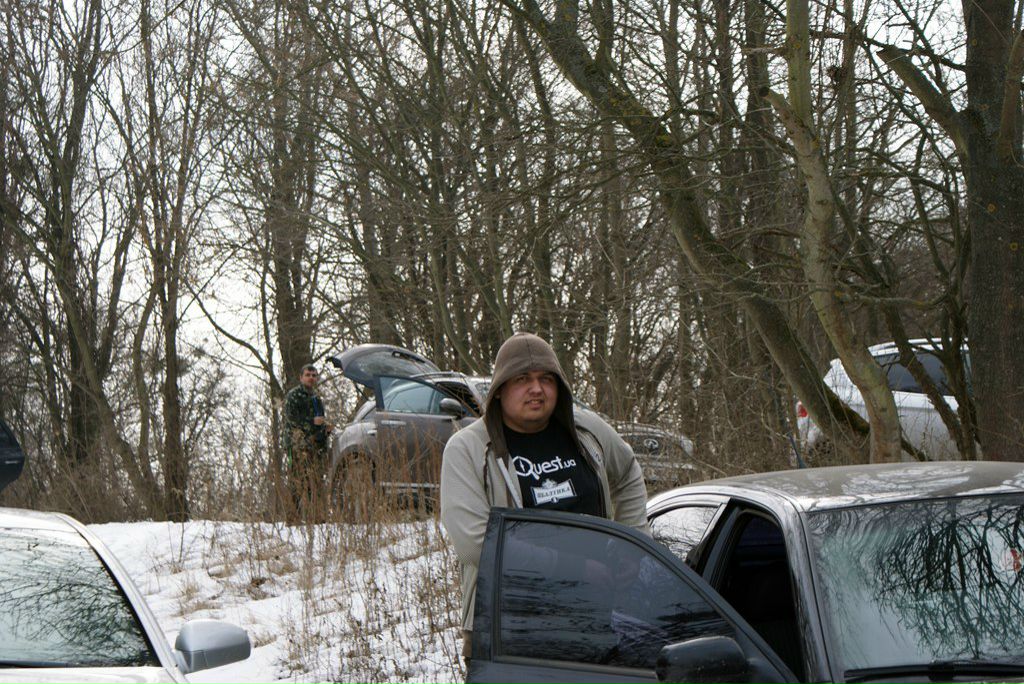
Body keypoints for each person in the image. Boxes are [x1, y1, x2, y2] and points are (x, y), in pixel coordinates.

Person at [440, 332, 649, 667]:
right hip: (507, 631)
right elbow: (477, 542)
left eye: (546, 379)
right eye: (522, 379)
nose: (536, 388)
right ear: (500, 389)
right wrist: (578, 569)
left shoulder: (586, 431)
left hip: (591, 619)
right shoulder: (468, 449)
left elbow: (627, 473)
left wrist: (634, 545)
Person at [283, 363, 334, 522]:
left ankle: (318, 518)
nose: (311, 378)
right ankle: (293, 518)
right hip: (297, 446)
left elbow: (319, 422)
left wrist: (325, 429)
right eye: (308, 375)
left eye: (314, 375)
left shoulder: (316, 398)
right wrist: (313, 422)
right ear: (301, 377)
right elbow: (292, 420)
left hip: (315, 447)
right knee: (297, 481)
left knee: (316, 482)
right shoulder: (294, 395)